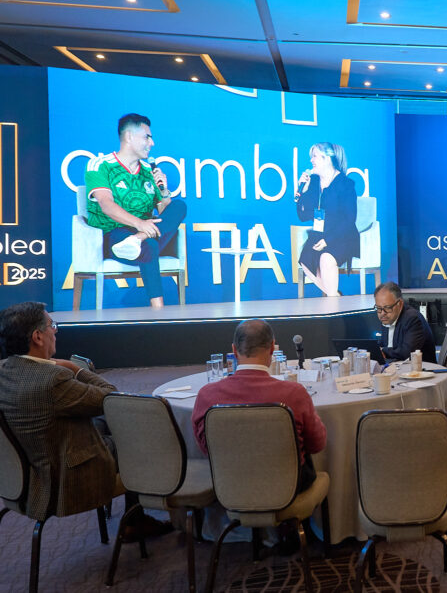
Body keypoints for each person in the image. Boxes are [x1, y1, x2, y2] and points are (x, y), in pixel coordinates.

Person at [0, 301, 170, 540]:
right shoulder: (53, 380)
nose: (55, 331)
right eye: (52, 325)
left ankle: (137, 516)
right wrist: (75, 369)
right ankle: (136, 520)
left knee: (107, 423)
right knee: (135, 434)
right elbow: (110, 397)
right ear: (37, 337)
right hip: (64, 479)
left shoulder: (5, 370)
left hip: (27, 471)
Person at [192, 319, 327, 492]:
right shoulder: (294, 394)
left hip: (229, 485)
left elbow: (206, 448)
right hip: (287, 487)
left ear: (234, 350)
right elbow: (317, 444)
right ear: (272, 348)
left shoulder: (207, 395)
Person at [85, 113, 187, 308]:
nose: (152, 143)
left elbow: (165, 213)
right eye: (147, 137)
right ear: (129, 137)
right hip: (114, 235)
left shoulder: (149, 171)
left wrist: (164, 192)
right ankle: (159, 311)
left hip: (145, 233)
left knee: (179, 206)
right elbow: (106, 205)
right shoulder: (101, 165)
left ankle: (138, 239)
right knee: (150, 245)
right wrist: (140, 224)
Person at [295, 142, 359, 297]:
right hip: (320, 233)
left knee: (326, 259)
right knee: (305, 261)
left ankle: (333, 300)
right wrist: (303, 190)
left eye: (315, 156)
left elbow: (350, 219)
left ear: (327, 158)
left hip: (342, 235)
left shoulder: (345, 184)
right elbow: (303, 216)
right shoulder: (314, 181)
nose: (311, 160)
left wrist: (327, 240)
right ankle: (335, 296)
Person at [374, 282, 437, 362]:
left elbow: (407, 353)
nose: (382, 313)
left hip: (419, 368)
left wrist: (383, 351)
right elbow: (385, 345)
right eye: (379, 308)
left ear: (400, 304)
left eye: (387, 307)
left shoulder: (413, 319)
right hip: (394, 366)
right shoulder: (386, 317)